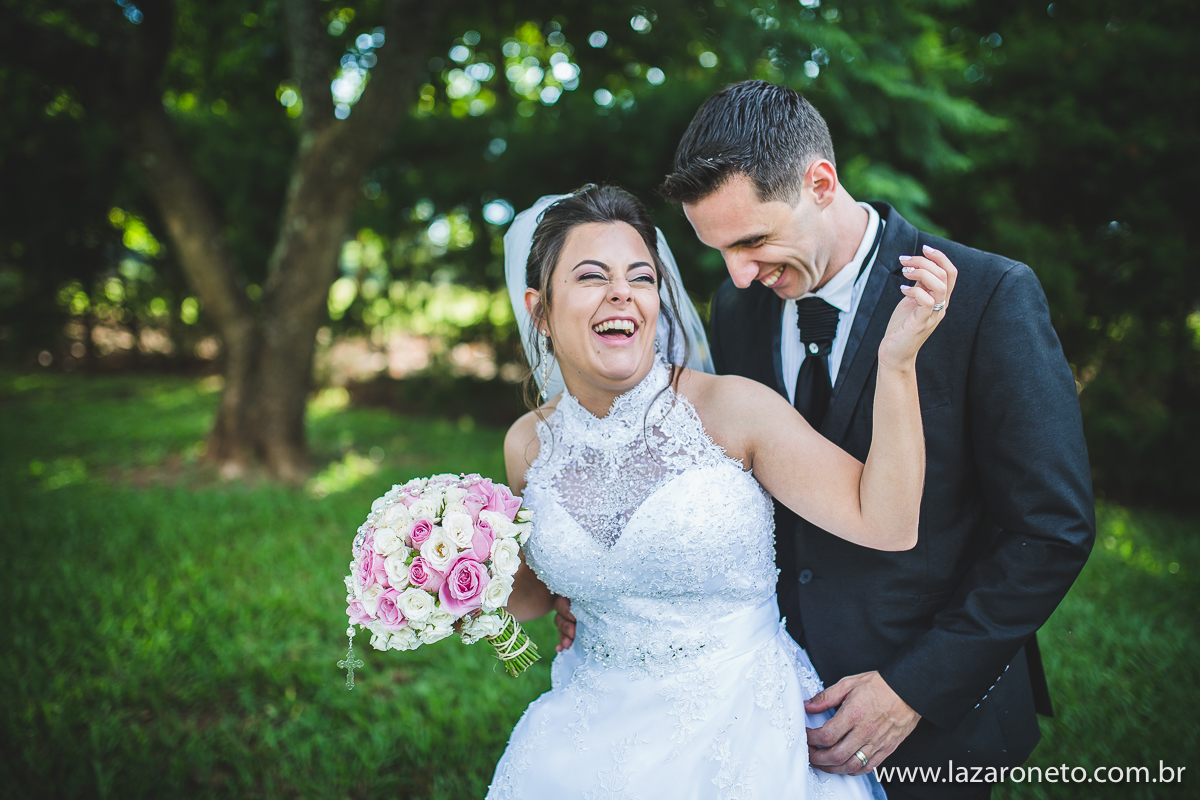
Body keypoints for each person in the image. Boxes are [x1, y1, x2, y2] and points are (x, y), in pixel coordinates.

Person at [554, 81, 1095, 800]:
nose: (739, 273)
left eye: (752, 241)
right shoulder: (740, 305)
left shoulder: (987, 297)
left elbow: (1051, 530)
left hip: (934, 714)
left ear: (820, 183)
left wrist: (914, 686)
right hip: (761, 707)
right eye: (719, 251)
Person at [487, 183, 954, 799]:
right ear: (540, 310)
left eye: (641, 277)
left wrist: (896, 363)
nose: (622, 292)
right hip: (583, 736)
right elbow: (530, 599)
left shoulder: (734, 410)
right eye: (592, 276)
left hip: (743, 736)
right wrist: (451, 569)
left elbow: (888, 522)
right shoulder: (527, 444)